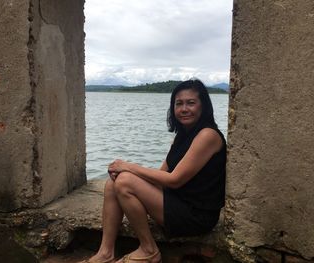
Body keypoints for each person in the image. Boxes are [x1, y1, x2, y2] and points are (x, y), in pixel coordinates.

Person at [81, 79, 226, 263]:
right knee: (113, 184)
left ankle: (149, 250)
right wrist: (125, 173)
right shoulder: (182, 136)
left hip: (196, 214)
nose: (183, 109)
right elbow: (161, 175)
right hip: (177, 201)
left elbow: (174, 180)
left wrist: (128, 167)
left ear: (203, 106)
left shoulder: (208, 135)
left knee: (125, 181)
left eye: (191, 103)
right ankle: (105, 253)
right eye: (178, 103)